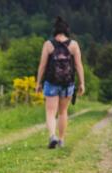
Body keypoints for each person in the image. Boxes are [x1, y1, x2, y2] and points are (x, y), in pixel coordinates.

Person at [36, 16, 85, 149]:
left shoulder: (48, 44)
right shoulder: (73, 45)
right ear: (66, 30)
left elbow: (42, 65)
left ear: (55, 30)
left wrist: (38, 83)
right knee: (63, 112)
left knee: (51, 112)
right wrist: (82, 83)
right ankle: (62, 140)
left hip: (51, 82)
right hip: (67, 83)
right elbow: (78, 65)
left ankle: (52, 136)